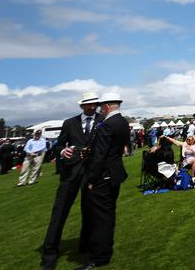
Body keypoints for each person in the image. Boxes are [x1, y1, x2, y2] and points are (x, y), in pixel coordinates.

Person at [40, 91, 102, 270]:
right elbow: (59, 144)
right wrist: (61, 151)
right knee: (59, 211)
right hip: (71, 173)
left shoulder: (102, 120)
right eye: (88, 104)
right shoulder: (69, 123)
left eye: (94, 104)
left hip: (91, 173)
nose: (92, 107)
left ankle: (86, 244)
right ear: (81, 105)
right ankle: (50, 252)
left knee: (89, 210)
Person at [77, 92, 130, 269]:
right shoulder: (122, 122)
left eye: (101, 107)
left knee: (101, 218)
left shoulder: (107, 124)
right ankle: (103, 250)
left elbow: (100, 155)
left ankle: (99, 256)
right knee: (107, 214)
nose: (100, 110)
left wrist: (92, 179)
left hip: (103, 176)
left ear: (106, 106)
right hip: (114, 173)